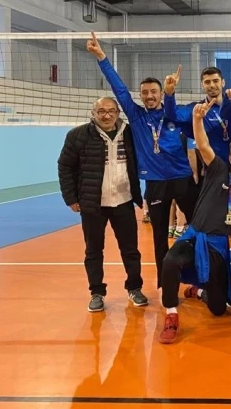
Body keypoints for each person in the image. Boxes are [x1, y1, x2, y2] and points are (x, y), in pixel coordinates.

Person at [87, 33, 198, 288]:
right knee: (159, 237)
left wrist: (170, 94)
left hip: (182, 180)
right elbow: (119, 89)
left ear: (161, 94)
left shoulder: (174, 115)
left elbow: (183, 115)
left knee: (197, 229)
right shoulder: (136, 116)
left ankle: (196, 277)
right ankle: (166, 283)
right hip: (155, 184)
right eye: (145, 92)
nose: (149, 96)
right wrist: (102, 57)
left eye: (154, 92)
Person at [158, 100, 231, 344]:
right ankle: (171, 315)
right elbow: (203, 145)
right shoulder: (218, 170)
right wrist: (197, 119)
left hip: (217, 245)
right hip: (194, 236)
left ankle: (200, 291)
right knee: (170, 261)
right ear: (230, 157)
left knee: (218, 309)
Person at [58, 97, 147, 312]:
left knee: (130, 249)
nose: (106, 115)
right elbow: (65, 166)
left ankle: (134, 288)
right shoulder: (78, 135)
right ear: (93, 113)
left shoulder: (130, 133)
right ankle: (96, 293)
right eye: (101, 111)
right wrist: (71, 198)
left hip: (124, 200)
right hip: (92, 204)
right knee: (93, 251)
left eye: (111, 111)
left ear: (118, 113)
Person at [164, 66, 231, 163]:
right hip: (214, 165)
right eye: (207, 82)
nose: (212, 85)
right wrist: (169, 94)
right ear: (202, 85)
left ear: (223, 82)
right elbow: (172, 115)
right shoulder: (197, 109)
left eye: (215, 81)